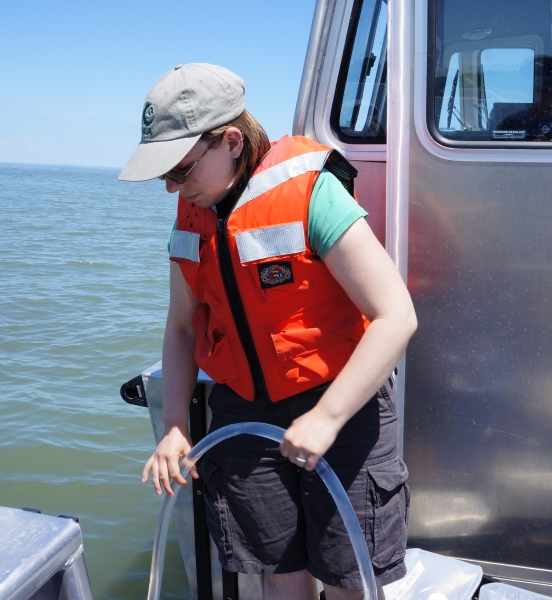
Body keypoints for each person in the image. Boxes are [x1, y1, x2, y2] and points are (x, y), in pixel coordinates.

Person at [120, 63, 417, 600]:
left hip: (342, 407)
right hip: (245, 413)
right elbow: (183, 326)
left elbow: (397, 315)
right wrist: (173, 424)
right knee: (277, 572)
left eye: (180, 170)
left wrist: (327, 418)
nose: (170, 189)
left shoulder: (312, 192)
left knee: (352, 579)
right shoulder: (192, 215)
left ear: (231, 141)